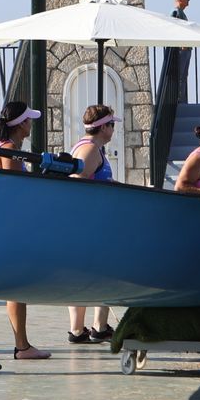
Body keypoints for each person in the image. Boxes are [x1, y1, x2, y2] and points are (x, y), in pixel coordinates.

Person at [0, 101, 52, 360]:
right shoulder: (9, 149)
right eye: (28, 120)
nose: (31, 124)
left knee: (5, 287)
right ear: (20, 124)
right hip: (5, 227)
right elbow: (13, 192)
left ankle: (21, 345)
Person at [68, 104, 118, 344]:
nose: (114, 130)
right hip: (88, 224)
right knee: (92, 274)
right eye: (112, 125)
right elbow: (77, 184)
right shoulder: (89, 150)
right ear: (104, 128)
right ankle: (83, 329)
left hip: (94, 222)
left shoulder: (94, 148)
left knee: (98, 273)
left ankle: (93, 327)